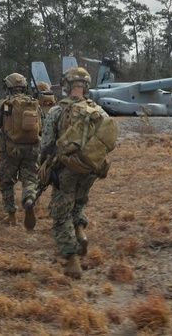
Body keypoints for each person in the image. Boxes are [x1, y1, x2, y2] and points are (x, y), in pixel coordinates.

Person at [38, 66, 111, 279]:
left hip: (65, 170)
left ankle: (72, 260)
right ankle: (80, 230)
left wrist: (44, 166)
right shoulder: (97, 110)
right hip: (90, 169)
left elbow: (46, 146)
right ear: (86, 87)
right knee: (79, 202)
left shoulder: (57, 111)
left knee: (61, 213)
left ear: (67, 85)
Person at [0, 73, 41, 228]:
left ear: (7, 86)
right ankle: (29, 199)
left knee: (6, 181)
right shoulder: (34, 104)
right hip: (31, 149)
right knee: (30, 179)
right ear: (24, 87)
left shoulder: (4, 105)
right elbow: (41, 127)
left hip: (9, 150)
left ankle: (12, 215)